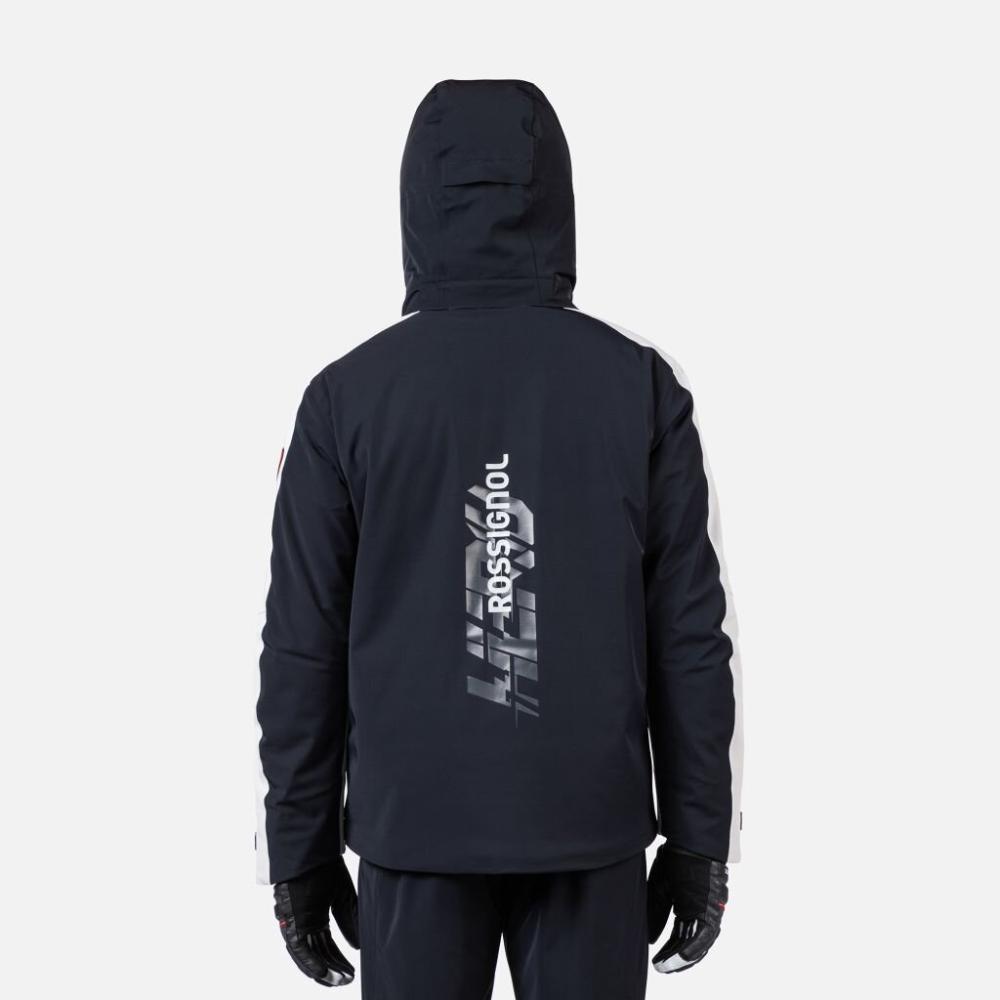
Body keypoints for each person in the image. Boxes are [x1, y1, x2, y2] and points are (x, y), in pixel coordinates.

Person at [255, 78, 742, 999]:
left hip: (416, 829)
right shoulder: (636, 386)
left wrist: (297, 848)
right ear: (556, 196)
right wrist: (700, 835)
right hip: (586, 822)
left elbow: (302, 645)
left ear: (415, 200)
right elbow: (688, 633)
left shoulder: (345, 398)